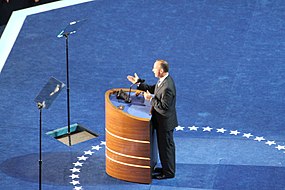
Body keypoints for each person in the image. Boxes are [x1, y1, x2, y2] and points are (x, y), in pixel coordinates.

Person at [127, 59, 178, 179]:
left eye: (154, 68)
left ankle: (168, 172)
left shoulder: (167, 87)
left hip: (165, 123)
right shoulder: (163, 81)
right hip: (161, 121)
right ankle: (166, 168)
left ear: (161, 70)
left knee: (166, 148)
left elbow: (164, 107)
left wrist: (151, 99)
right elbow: (153, 88)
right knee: (163, 147)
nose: (152, 70)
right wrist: (139, 83)